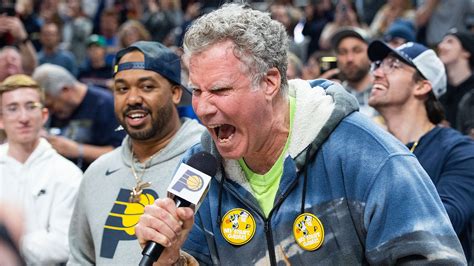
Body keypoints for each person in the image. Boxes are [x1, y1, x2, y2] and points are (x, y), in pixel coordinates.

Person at [135, 4, 466, 265]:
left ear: (269, 82)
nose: (203, 108)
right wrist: (172, 260)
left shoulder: (367, 154)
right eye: (197, 90)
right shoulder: (200, 170)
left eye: (219, 90)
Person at [68, 41, 205, 264]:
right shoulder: (98, 172)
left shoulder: (204, 159)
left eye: (147, 87)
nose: (132, 99)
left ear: (175, 93)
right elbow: (80, 258)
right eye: (122, 89)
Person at [367, 40, 474, 263]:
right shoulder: (368, 149)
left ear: (422, 86)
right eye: (378, 65)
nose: (377, 73)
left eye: (393, 66)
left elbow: (444, 221)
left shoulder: (460, 151)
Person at [0, 74, 82, 264]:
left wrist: (8, 241)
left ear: (44, 115)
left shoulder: (67, 174)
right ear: (1, 120)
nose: (23, 118)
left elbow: (62, 246)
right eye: (12, 109)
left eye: (31, 107)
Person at [32, 63, 125, 171]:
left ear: (65, 90)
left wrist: (78, 150)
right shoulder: (56, 109)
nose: (50, 112)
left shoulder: (105, 104)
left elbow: (121, 153)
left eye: (51, 105)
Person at [331, 26, 377, 118]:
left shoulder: (384, 92)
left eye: (357, 51)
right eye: (343, 52)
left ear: (370, 55)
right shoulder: (333, 96)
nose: (349, 58)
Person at [437, 29, 474, 135]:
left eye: (450, 42)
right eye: (442, 42)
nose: (441, 46)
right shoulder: (440, 91)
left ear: (466, 52)